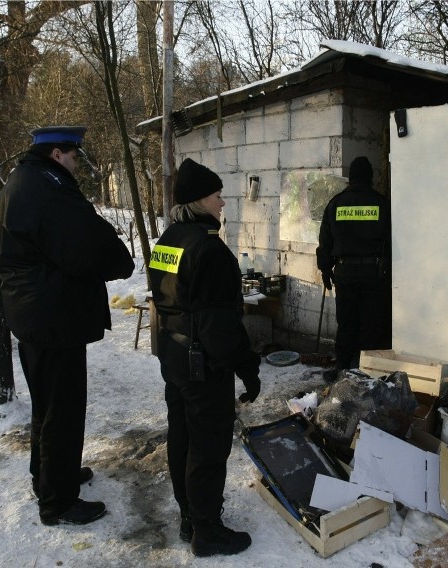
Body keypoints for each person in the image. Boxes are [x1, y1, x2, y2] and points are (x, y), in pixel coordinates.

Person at [0, 126, 135, 526]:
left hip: (34, 313)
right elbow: (85, 244)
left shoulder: (21, 181)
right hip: (53, 316)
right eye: (74, 157)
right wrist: (121, 262)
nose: (77, 164)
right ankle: (58, 502)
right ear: (57, 154)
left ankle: (50, 476)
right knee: (63, 409)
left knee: (47, 404)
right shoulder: (50, 188)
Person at [148, 158, 261, 557]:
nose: (223, 202)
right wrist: (247, 366)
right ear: (199, 200)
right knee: (208, 446)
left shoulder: (168, 240)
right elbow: (220, 326)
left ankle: (189, 516)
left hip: (174, 358)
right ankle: (207, 531)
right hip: (202, 363)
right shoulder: (207, 249)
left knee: (182, 436)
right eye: (217, 195)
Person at [316, 156, 392, 381]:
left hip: (345, 273)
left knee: (346, 322)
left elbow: (325, 241)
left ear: (350, 178)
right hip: (373, 274)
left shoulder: (335, 203)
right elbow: (390, 241)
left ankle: (342, 368)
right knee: (371, 323)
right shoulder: (382, 203)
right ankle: (367, 372)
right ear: (370, 178)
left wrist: (325, 269)